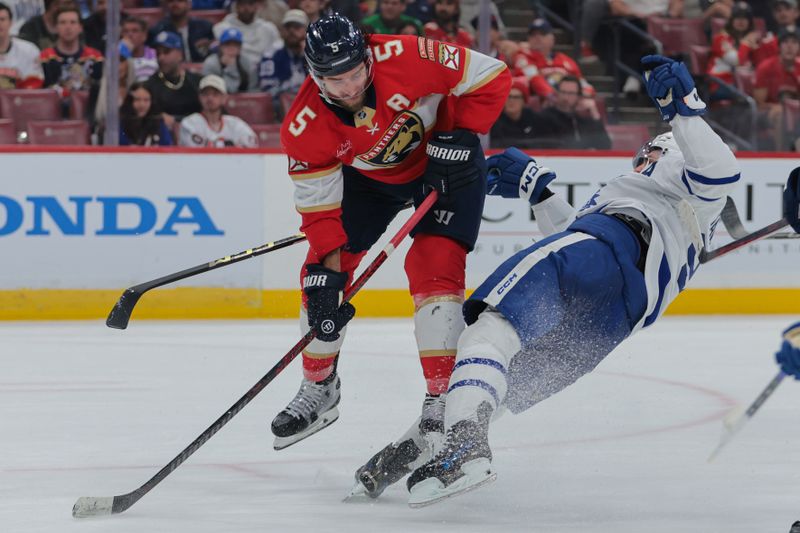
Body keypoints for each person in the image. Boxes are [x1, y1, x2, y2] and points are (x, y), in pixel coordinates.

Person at [405, 54, 747, 507]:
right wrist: (537, 190)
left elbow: (720, 169)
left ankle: (463, 444)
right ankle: (423, 443)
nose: (642, 155)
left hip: (608, 251)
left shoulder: (677, 170)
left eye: (650, 151)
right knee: (504, 378)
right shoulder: (675, 212)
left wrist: (683, 108)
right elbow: (575, 236)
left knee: (490, 329)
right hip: (614, 318)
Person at [272, 14, 510, 499]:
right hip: (372, 184)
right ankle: (321, 388)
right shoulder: (303, 127)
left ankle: (441, 400)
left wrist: (463, 135)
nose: (350, 86)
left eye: (356, 72)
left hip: (448, 165)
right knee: (319, 277)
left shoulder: (407, 55)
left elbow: (492, 76)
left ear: (367, 59)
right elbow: (321, 217)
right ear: (315, 77)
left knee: (433, 266)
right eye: (335, 79)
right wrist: (327, 273)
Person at [40, 5, 103, 114]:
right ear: (56, 28)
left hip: (88, 113)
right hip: (53, 113)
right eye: (63, 22)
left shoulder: (95, 57)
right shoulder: (45, 58)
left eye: (73, 22)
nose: (68, 27)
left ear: (80, 27)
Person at [513, 18, 594, 102]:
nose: (537, 37)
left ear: (552, 39)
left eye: (542, 34)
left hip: (568, 102)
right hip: (541, 104)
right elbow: (535, 80)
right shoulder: (523, 57)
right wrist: (554, 97)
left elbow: (582, 83)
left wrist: (586, 94)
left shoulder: (565, 60)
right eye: (533, 34)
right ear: (528, 39)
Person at [531, 75, 611, 150]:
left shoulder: (583, 120)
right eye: (563, 92)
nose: (566, 97)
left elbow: (605, 146)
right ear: (557, 93)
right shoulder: (545, 117)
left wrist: (594, 113)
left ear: (579, 96)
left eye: (571, 93)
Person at [179, 74, 257, 147]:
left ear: (224, 98)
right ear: (200, 97)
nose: (210, 98)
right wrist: (231, 145)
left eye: (215, 94)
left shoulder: (235, 124)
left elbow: (251, 145)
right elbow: (198, 151)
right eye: (206, 94)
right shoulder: (189, 123)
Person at [145, 30, 202, 126]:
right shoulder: (149, 85)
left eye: (166, 52)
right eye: (158, 53)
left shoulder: (196, 81)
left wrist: (176, 120)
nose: (161, 58)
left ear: (180, 54)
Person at [258, 9, 308, 116]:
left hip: (309, 100)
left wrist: (307, 56)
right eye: (288, 27)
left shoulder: (314, 54)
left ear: (306, 30)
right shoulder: (272, 54)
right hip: (282, 104)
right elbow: (267, 89)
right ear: (281, 30)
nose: (291, 31)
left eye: (297, 27)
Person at [213, 0, 282, 72]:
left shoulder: (269, 29)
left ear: (256, 6)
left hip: (264, 72)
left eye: (250, 4)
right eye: (242, 4)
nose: (246, 8)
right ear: (236, 6)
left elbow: (278, 52)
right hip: (235, 71)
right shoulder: (222, 28)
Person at [148, 0, 215, 62]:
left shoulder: (205, 27)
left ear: (189, 4)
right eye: (171, 1)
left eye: (180, 0)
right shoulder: (158, 30)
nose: (175, 4)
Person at [0, 2, 44, 89]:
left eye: (2, 19)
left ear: (11, 22)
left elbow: (35, 84)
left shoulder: (29, 50)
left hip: (19, 100)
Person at [203, 27, 257, 94]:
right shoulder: (211, 63)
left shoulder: (247, 62)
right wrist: (231, 68)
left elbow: (254, 89)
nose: (231, 48)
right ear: (221, 46)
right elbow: (230, 90)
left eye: (235, 45)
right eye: (228, 44)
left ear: (240, 47)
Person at [119, 81, 173, 146]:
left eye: (146, 100)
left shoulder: (159, 123)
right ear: (130, 101)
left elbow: (167, 148)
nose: (142, 105)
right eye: (137, 99)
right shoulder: (121, 123)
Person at [489, 77, 537, 148]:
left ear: (524, 101)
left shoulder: (532, 118)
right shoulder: (494, 122)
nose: (511, 101)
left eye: (516, 97)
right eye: (509, 96)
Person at [122, 16, 158, 83]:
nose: (130, 35)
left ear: (144, 35)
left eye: (135, 31)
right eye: (126, 31)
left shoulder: (157, 55)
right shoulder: (118, 59)